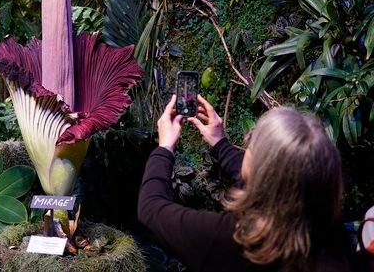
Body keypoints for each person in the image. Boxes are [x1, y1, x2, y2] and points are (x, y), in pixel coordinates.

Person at [138, 94, 351, 272]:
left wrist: (165, 147)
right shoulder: (330, 233)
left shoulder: (232, 239)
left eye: (251, 142)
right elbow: (268, 181)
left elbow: (150, 209)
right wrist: (220, 144)